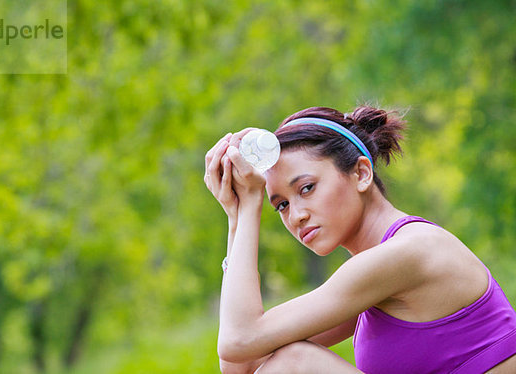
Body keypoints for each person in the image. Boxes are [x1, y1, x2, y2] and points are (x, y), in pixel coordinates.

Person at [203, 105, 516, 373]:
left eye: (307, 188)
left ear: (362, 173)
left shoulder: (409, 252)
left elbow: (239, 341)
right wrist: (238, 216)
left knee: (294, 364)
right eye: (281, 205)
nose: (296, 215)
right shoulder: (372, 282)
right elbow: (240, 362)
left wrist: (247, 213)